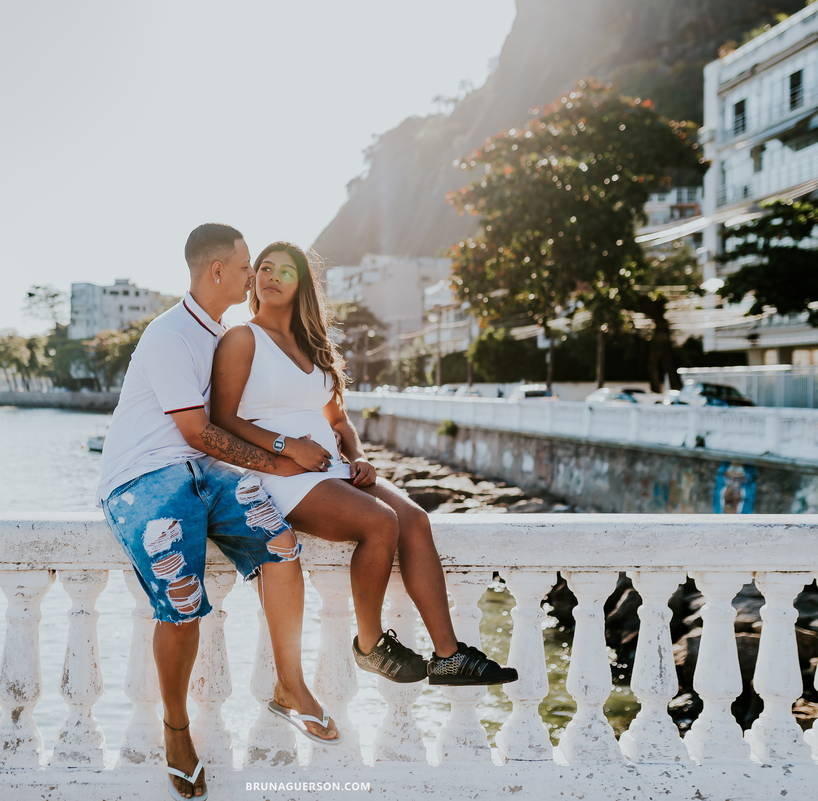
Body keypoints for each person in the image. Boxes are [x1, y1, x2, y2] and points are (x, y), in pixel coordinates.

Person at [97, 224, 338, 801]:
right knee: (182, 596)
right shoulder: (171, 334)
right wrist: (280, 462)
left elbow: (234, 420)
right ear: (217, 272)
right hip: (144, 474)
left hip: (201, 469)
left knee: (281, 546)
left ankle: (290, 685)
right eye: (246, 263)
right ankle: (176, 728)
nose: (254, 271)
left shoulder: (224, 333)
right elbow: (197, 430)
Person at [210, 241, 518, 687]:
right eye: (265, 269)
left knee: (414, 520)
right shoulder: (243, 338)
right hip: (280, 473)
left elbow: (338, 419)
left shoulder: (314, 346)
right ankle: (370, 645)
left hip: (331, 467)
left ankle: (449, 656)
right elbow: (222, 417)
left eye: (285, 272)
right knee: (380, 523)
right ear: (254, 278)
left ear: (302, 286)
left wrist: (357, 456)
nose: (272, 277)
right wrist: (288, 446)